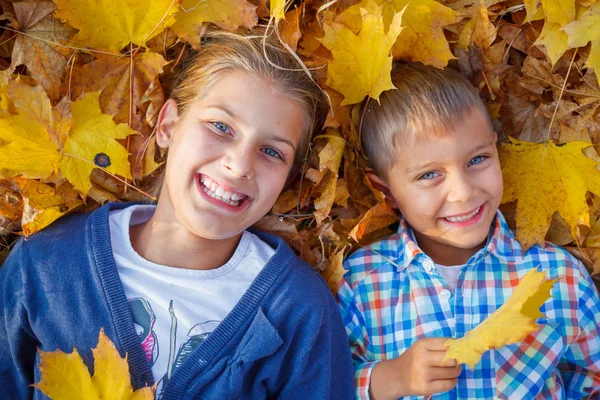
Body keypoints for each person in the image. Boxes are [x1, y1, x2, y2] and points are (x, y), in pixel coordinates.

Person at [0, 30, 354, 399]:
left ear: (287, 178)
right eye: (221, 127)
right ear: (168, 125)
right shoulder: (46, 266)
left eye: (271, 152)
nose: (238, 165)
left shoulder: (298, 312)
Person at [337, 63, 600, 399]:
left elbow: (591, 382)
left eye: (477, 160)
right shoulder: (363, 282)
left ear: (495, 148)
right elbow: (325, 384)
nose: (463, 192)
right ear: (385, 191)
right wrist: (390, 379)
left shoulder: (559, 277)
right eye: (429, 175)